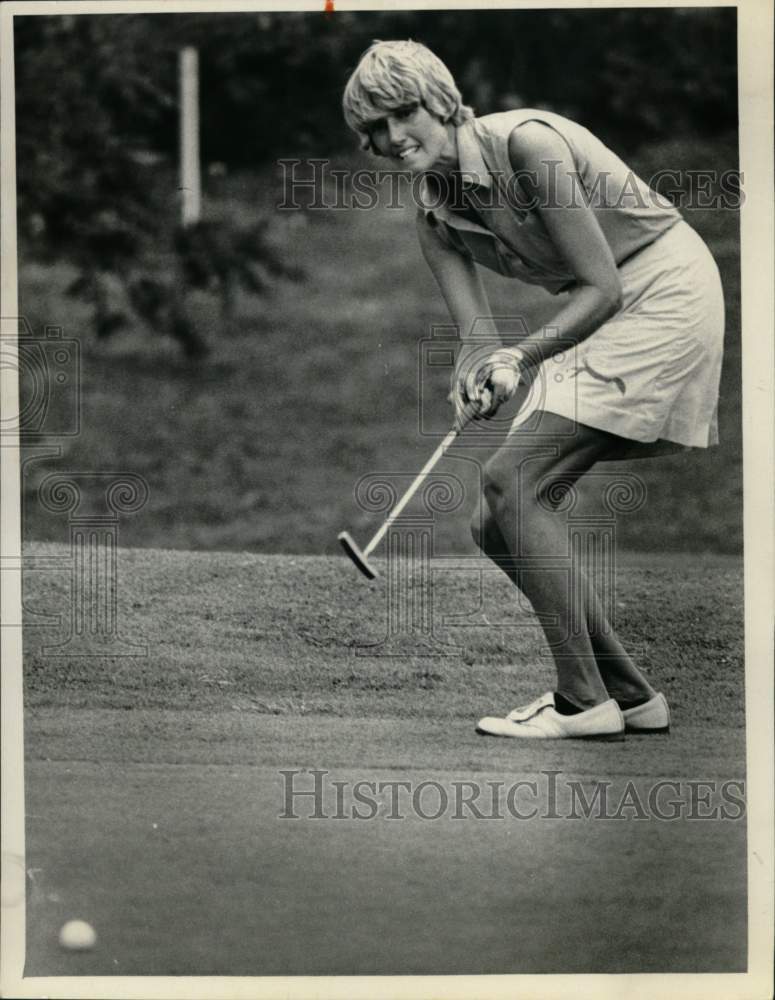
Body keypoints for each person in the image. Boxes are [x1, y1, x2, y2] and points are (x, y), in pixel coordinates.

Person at [342, 41, 724, 740]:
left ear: (441, 100)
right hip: (602, 309)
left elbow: (603, 284)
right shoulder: (431, 212)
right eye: (371, 129)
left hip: (658, 291)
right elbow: (476, 337)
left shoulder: (526, 146)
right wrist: (478, 372)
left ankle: (581, 703)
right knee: (496, 519)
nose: (390, 138)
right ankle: (629, 694)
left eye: (401, 113)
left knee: (509, 482)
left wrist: (522, 356)